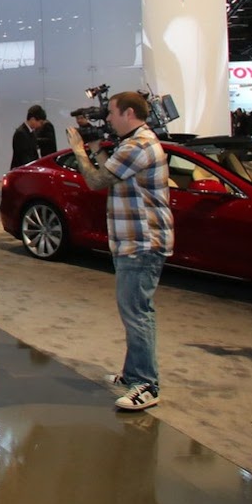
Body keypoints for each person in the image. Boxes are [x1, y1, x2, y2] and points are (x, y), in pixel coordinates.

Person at [64, 90, 172, 412]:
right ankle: (133, 374)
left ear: (128, 113)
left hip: (141, 242)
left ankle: (146, 384)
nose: (108, 118)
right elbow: (112, 175)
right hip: (133, 241)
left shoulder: (138, 146)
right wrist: (97, 150)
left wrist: (79, 150)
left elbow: (97, 181)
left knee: (137, 313)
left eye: (111, 112)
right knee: (133, 311)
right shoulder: (134, 144)